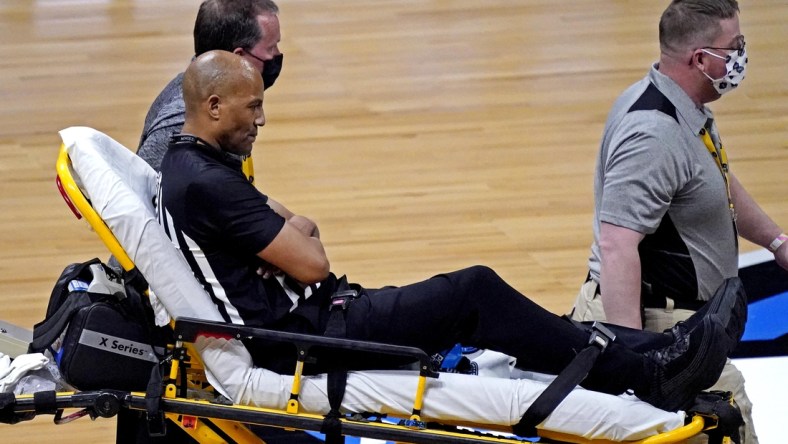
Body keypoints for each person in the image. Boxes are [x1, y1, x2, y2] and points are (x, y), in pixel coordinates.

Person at [156, 50, 743, 417]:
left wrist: (290, 238)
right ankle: (647, 372)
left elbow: (297, 232)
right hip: (305, 340)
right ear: (212, 106)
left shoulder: (191, 166)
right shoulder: (208, 182)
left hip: (317, 319)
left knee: (477, 299)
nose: (262, 120)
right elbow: (309, 259)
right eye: (252, 108)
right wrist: (293, 241)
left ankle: (652, 350)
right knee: (473, 292)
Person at [568, 1, 784, 442]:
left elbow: (716, 183)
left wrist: (776, 242)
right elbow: (617, 245)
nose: (742, 55)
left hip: (678, 324)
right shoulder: (653, 134)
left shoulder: (682, 105)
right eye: (735, 46)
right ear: (701, 59)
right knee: (728, 420)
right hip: (656, 330)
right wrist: (632, 359)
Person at [137, 0, 283, 172]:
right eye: (271, 47)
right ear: (239, 58)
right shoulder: (184, 125)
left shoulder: (224, 100)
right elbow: (144, 194)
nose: (278, 54)